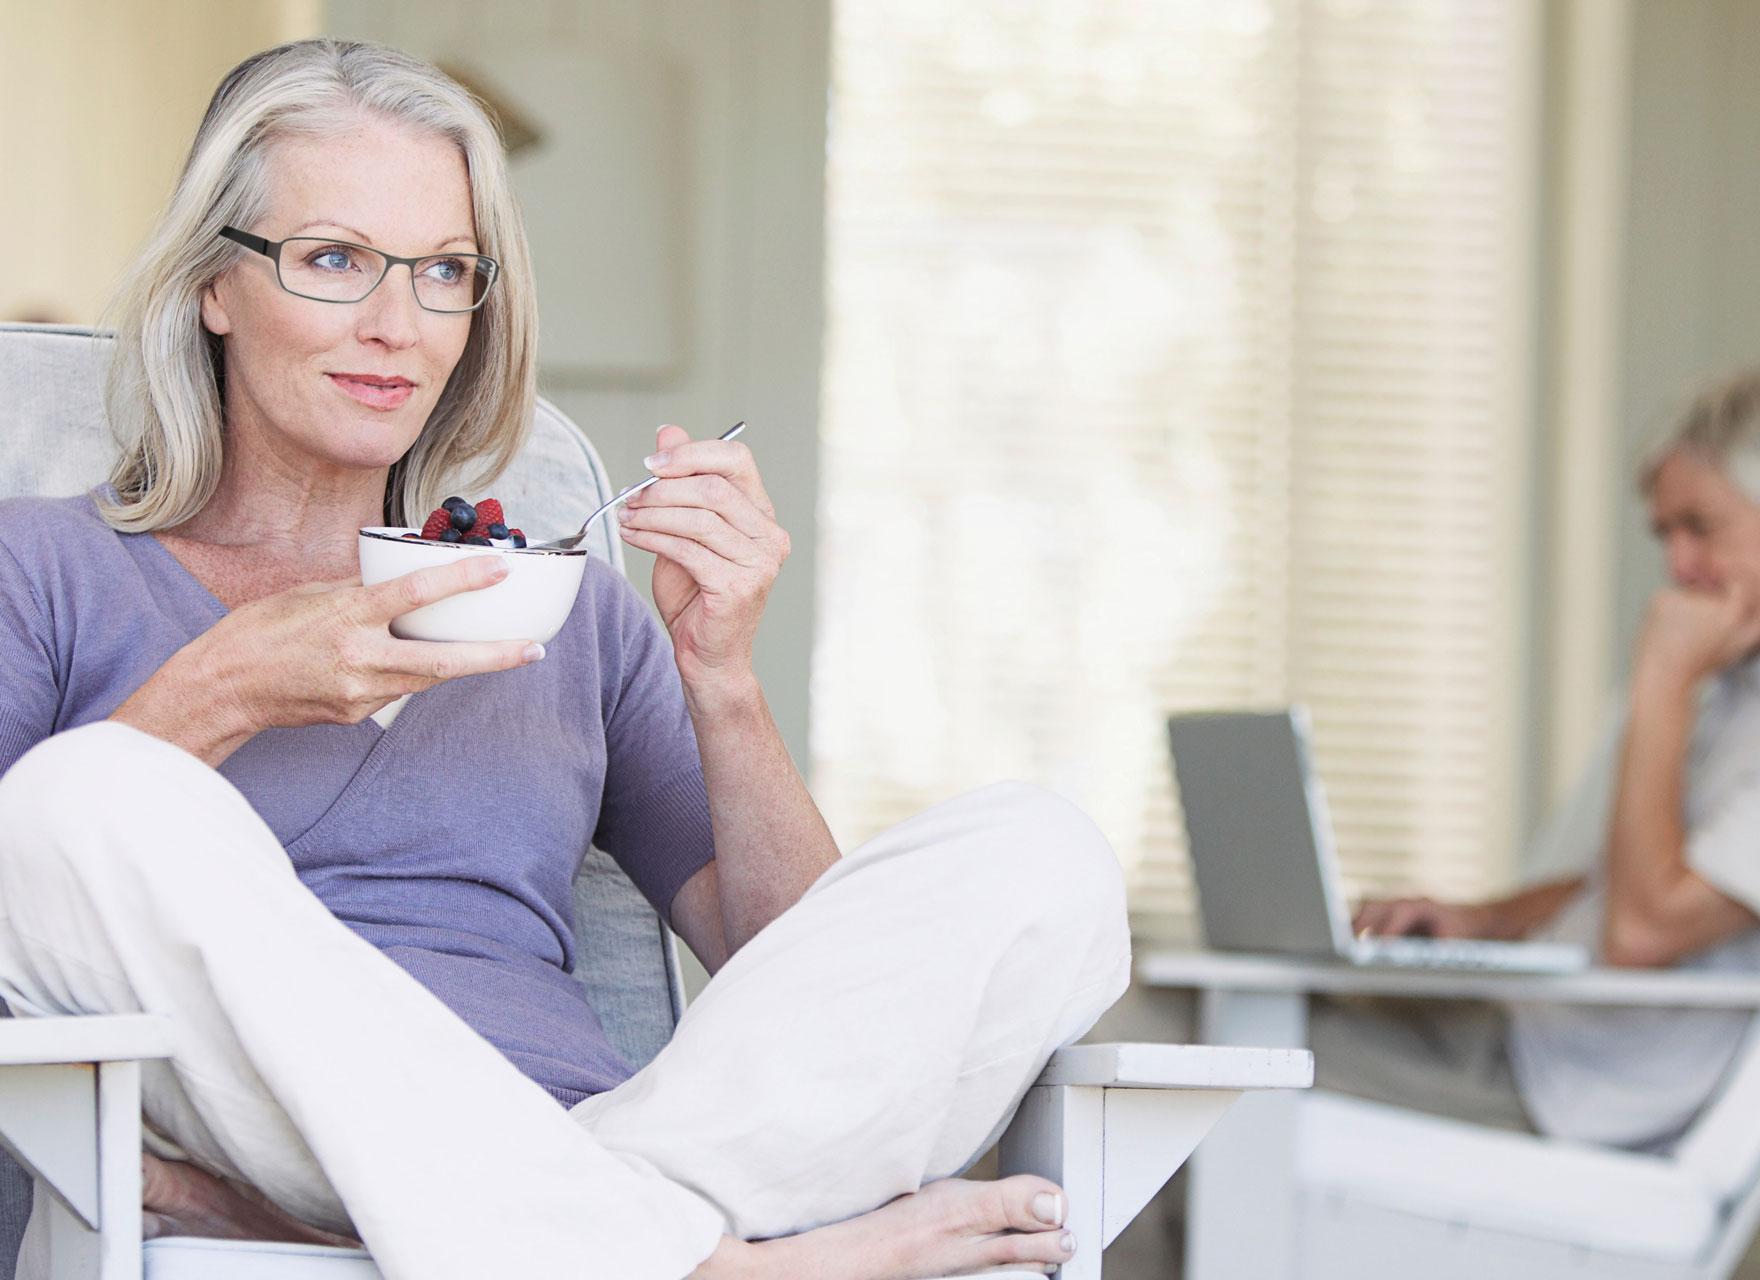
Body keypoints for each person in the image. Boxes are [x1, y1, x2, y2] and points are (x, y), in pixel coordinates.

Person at [0, 38, 1130, 1280]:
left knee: (1043, 853)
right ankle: (703, 1265)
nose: (397, 326)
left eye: (443, 271)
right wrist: (217, 693)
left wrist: (723, 679)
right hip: (263, 1120)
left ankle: (530, 1231)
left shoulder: (572, 611)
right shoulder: (45, 569)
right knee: (70, 797)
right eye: (333, 260)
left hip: (601, 1140)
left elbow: (805, 987)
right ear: (216, 284)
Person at [1318, 366, 1760, 1147]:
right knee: (1188, 1038)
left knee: (1183, 1066)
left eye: (1700, 527)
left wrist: (1663, 681)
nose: (1679, 566)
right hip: (1521, 1036)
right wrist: (1483, 918)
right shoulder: (1755, 680)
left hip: (1564, 1097)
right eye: (1666, 533)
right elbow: (1644, 876)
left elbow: (1642, 930)